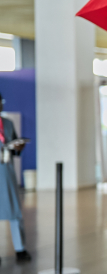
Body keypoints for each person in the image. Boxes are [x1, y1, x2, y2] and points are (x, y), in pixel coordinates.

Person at [0, 92, 32, 264]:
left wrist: (17, 147)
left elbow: (14, 149)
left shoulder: (8, 124)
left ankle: (20, 249)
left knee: (15, 211)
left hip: (7, 172)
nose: (1, 105)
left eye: (1, 102)